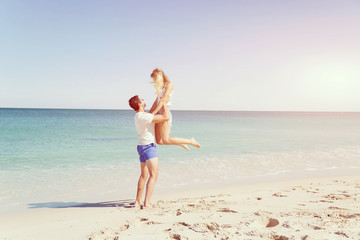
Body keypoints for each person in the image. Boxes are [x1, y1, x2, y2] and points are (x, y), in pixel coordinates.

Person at [128, 95, 170, 209]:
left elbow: (152, 112)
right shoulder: (144, 117)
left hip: (141, 147)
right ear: (139, 104)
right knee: (154, 175)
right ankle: (147, 203)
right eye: (142, 99)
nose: (143, 100)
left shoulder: (139, 116)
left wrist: (158, 100)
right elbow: (165, 117)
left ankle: (137, 201)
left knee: (144, 175)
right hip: (148, 147)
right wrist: (165, 105)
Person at [149, 68, 200, 151]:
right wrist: (149, 113)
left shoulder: (169, 85)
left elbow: (162, 101)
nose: (155, 82)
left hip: (164, 113)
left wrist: (153, 113)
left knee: (166, 140)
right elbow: (156, 101)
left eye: (155, 79)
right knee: (159, 141)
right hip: (158, 113)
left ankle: (190, 141)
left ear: (159, 77)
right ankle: (180, 142)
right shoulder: (161, 87)